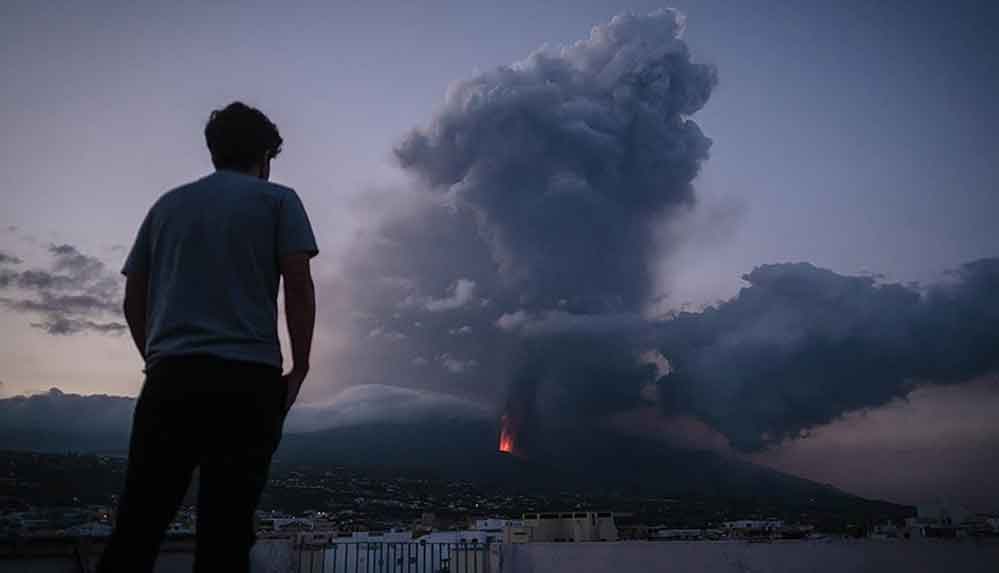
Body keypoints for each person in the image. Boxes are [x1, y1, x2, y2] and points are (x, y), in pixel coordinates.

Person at [98, 102, 318, 572]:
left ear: (214, 151)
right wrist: (300, 367)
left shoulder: (167, 206)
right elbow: (298, 284)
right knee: (226, 534)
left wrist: (155, 357)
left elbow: (134, 296)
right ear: (265, 156)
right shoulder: (279, 201)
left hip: (172, 378)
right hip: (248, 381)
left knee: (138, 525)